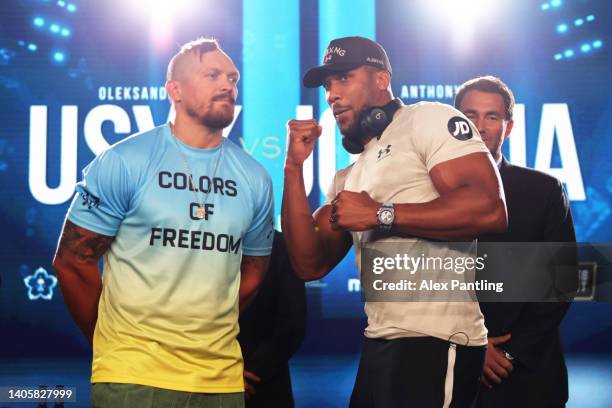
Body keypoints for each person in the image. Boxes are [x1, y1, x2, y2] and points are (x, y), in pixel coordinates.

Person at [282, 36, 507, 408]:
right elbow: (309, 264)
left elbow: (489, 209)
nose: (332, 94)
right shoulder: (348, 177)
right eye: (327, 85)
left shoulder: (427, 119)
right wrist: (293, 168)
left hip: (436, 340)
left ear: (382, 79)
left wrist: (380, 214)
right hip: (379, 341)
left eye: (343, 78)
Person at [52, 38, 274, 408]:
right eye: (212, 75)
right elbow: (73, 262)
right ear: (175, 90)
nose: (227, 85)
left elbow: (251, 275)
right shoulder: (126, 161)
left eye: (233, 78)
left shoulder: (255, 178)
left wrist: (203, 335)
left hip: (220, 380)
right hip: (133, 377)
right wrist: (113, 343)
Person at [455, 76, 577, 408]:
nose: (480, 127)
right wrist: (470, 347)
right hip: (446, 375)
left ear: (508, 127)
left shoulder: (544, 191)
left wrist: (508, 352)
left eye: (491, 116)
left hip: (527, 377)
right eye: (469, 115)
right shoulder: (423, 193)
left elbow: (562, 283)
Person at [238, 231, 306, 408]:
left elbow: (292, 323)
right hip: (198, 374)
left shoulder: (280, 245)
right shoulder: (195, 242)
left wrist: (252, 371)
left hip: (262, 384)